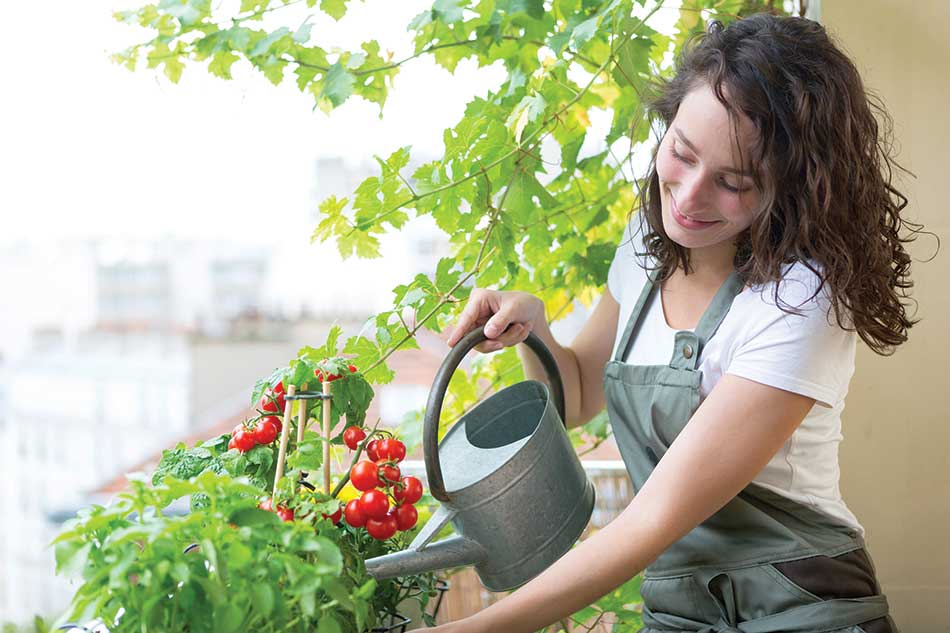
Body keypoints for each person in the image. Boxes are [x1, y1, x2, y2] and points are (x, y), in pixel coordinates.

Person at [422, 12, 927, 633]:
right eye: (681, 154)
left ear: (789, 187)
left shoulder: (802, 298)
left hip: (800, 606)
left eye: (734, 183)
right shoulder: (645, 243)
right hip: (682, 609)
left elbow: (654, 517)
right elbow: (576, 395)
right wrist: (537, 331)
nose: (686, 198)